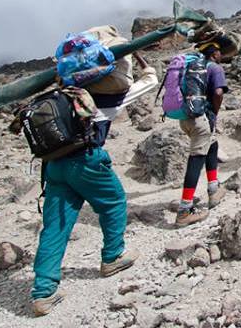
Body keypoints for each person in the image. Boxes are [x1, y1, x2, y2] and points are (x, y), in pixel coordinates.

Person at [30, 55, 155, 316]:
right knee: (114, 202)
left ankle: (43, 292)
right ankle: (113, 256)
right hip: (86, 161)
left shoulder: (61, 95)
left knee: (56, 225)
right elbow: (150, 81)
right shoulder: (107, 98)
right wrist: (141, 58)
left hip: (54, 165)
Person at [175, 35, 228, 227]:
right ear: (214, 53)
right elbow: (218, 92)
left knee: (212, 145)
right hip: (201, 119)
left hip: (185, 118)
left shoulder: (192, 67)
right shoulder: (215, 67)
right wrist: (214, 111)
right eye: (219, 52)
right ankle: (184, 210)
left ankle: (213, 189)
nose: (221, 55)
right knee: (196, 159)